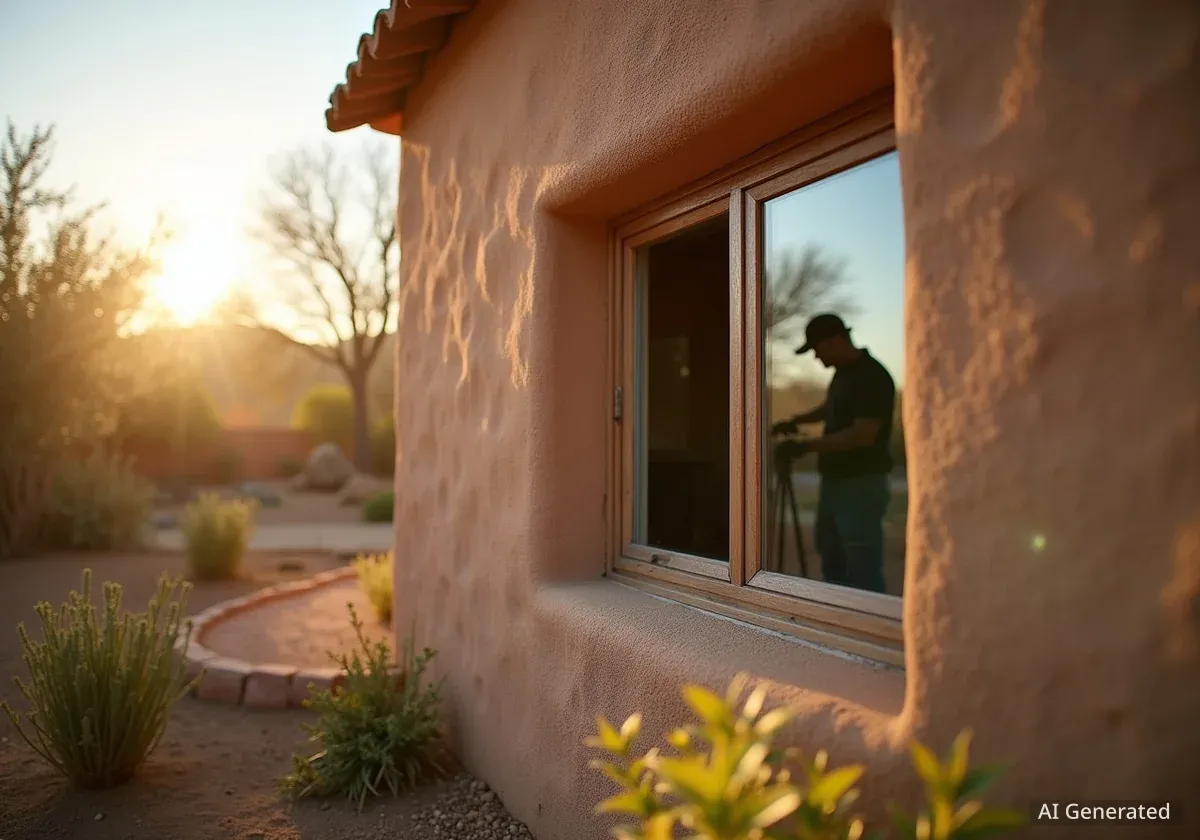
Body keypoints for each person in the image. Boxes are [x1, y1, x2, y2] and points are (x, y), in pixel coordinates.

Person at [772, 313, 896, 593]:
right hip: (835, 481)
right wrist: (797, 421)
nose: (816, 357)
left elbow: (863, 434)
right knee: (832, 555)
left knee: (862, 565)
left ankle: (866, 628)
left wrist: (806, 446)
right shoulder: (844, 373)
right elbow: (830, 407)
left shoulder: (872, 376)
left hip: (861, 484)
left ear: (836, 340)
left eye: (817, 348)